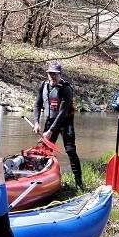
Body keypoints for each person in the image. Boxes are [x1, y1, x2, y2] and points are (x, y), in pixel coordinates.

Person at [32, 61, 84, 190]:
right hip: (50, 120)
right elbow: (37, 104)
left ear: (60, 74)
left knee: (71, 151)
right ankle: (43, 182)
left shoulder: (66, 88)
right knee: (45, 151)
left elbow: (62, 113)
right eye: (50, 74)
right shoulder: (43, 85)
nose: (53, 76)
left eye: (55, 74)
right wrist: (37, 122)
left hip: (65, 122)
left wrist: (50, 131)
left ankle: (79, 183)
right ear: (47, 74)